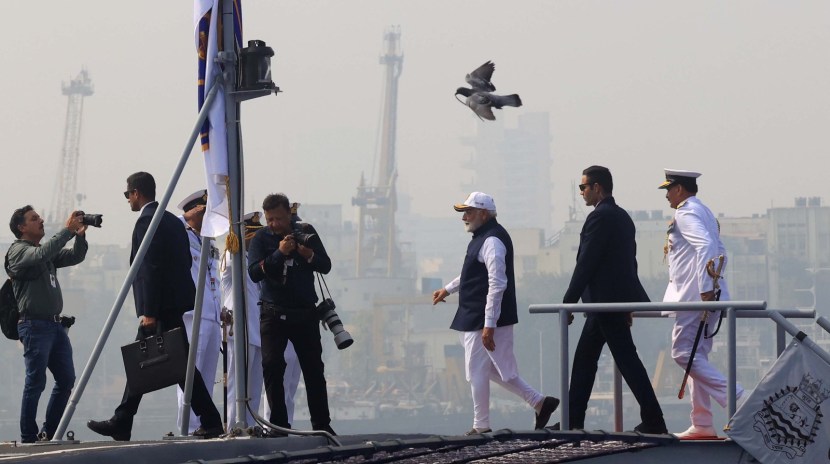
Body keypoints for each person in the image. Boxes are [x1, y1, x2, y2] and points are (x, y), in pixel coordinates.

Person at [87, 172, 223, 441]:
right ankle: (125, 419)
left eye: (128, 195)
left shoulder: (147, 222)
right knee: (178, 365)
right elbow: (184, 262)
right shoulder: (172, 221)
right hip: (173, 304)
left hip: (158, 308)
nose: (128, 201)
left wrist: (149, 311)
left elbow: (148, 267)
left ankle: (123, 419)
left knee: (153, 362)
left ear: (137, 193)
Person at [432, 192, 559, 435]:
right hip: (479, 316)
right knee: (493, 369)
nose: (464, 218)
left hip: (483, 318)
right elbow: (473, 275)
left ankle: (481, 425)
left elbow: (497, 283)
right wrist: (448, 289)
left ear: (482, 214)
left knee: (476, 370)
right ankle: (540, 402)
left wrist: (489, 324)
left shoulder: (491, 241)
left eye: (468, 212)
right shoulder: (484, 238)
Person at [560, 166, 667, 434]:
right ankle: (572, 420)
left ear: (597, 187)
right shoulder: (622, 217)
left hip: (604, 304)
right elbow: (629, 263)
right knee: (587, 359)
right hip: (607, 304)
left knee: (624, 360)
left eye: (583, 187)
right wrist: (627, 301)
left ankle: (654, 419)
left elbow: (586, 263)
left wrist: (569, 301)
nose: (581, 192)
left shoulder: (600, 218)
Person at [659, 168, 744, 439]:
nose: (667, 196)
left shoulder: (686, 212)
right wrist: (713, 288)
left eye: (669, 190)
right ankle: (703, 422)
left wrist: (706, 290)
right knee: (697, 357)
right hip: (703, 296)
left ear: (680, 189)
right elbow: (720, 251)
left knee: (682, 354)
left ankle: (738, 399)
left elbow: (707, 246)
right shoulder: (703, 211)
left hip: (694, 298)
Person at [247, 193, 336, 436]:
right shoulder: (261, 238)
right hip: (273, 313)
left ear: (289, 215)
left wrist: (308, 255)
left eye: (278, 218)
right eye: (270, 219)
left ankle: (321, 424)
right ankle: (278, 425)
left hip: (304, 314)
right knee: (273, 367)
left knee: (314, 370)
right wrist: (279, 253)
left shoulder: (306, 231)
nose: (274, 224)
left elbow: (325, 265)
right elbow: (254, 272)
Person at [6, 207, 88, 443]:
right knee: (36, 381)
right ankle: (28, 437)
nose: (41, 220)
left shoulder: (43, 252)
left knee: (66, 380)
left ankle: (49, 432)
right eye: (34, 219)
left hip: (55, 327)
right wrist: (66, 230)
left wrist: (79, 236)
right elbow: (41, 255)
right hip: (34, 326)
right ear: (22, 228)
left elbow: (74, 256)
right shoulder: (18, 251)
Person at [221, 211, 300, 432]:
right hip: (240, 329)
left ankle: (252, 426)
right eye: (252, 236)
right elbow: (230, 255)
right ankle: (235, 428)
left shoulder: (254, 260)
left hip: (258, 331)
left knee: (255, 386)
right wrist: (234, 236)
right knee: (238, 385)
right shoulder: (233, 257)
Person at [175, 189, 223, 433]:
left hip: (212, 315)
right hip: (193, 316)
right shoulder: (181, 235)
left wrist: (220, 308)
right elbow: (167, 226)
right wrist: (185, 217)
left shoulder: (208, 239)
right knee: (190, 375)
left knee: (207, 375)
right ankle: (189, 426)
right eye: (204, 212)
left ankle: (204, 425)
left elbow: (213, 278)